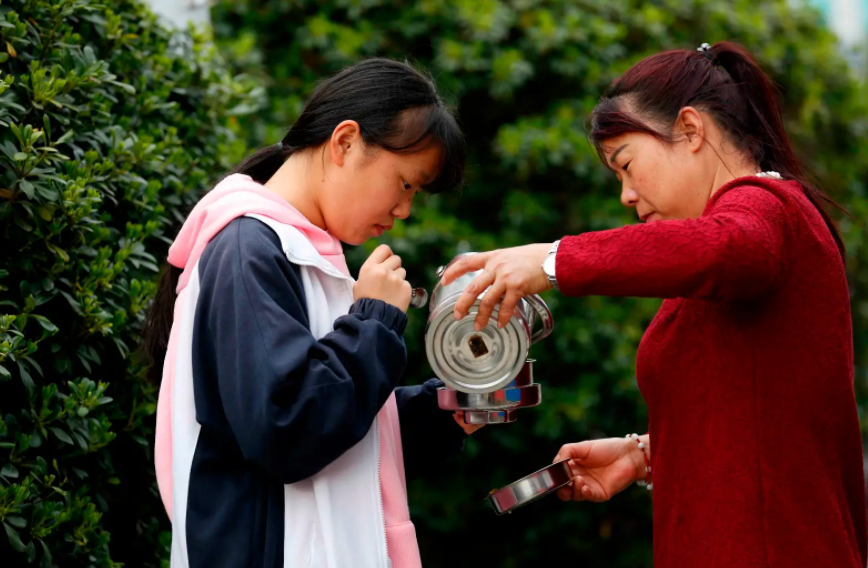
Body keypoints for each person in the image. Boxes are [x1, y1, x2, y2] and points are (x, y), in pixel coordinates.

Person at [442, 42, 866, 568]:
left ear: (691, 130)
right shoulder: (721, 258)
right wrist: (647, 453)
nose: (626, 194)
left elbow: (733, 247)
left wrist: (553, 260)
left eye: (626, 165)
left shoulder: (765, 210)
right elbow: (758, 418)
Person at [143, 58, 479, 568]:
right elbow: (288, 429)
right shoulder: (247, 247)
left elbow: (340, 439)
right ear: (345, 142)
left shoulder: (301, 252)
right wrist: (374, 322)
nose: (405, 209)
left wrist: (451, 408)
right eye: (406, 183)